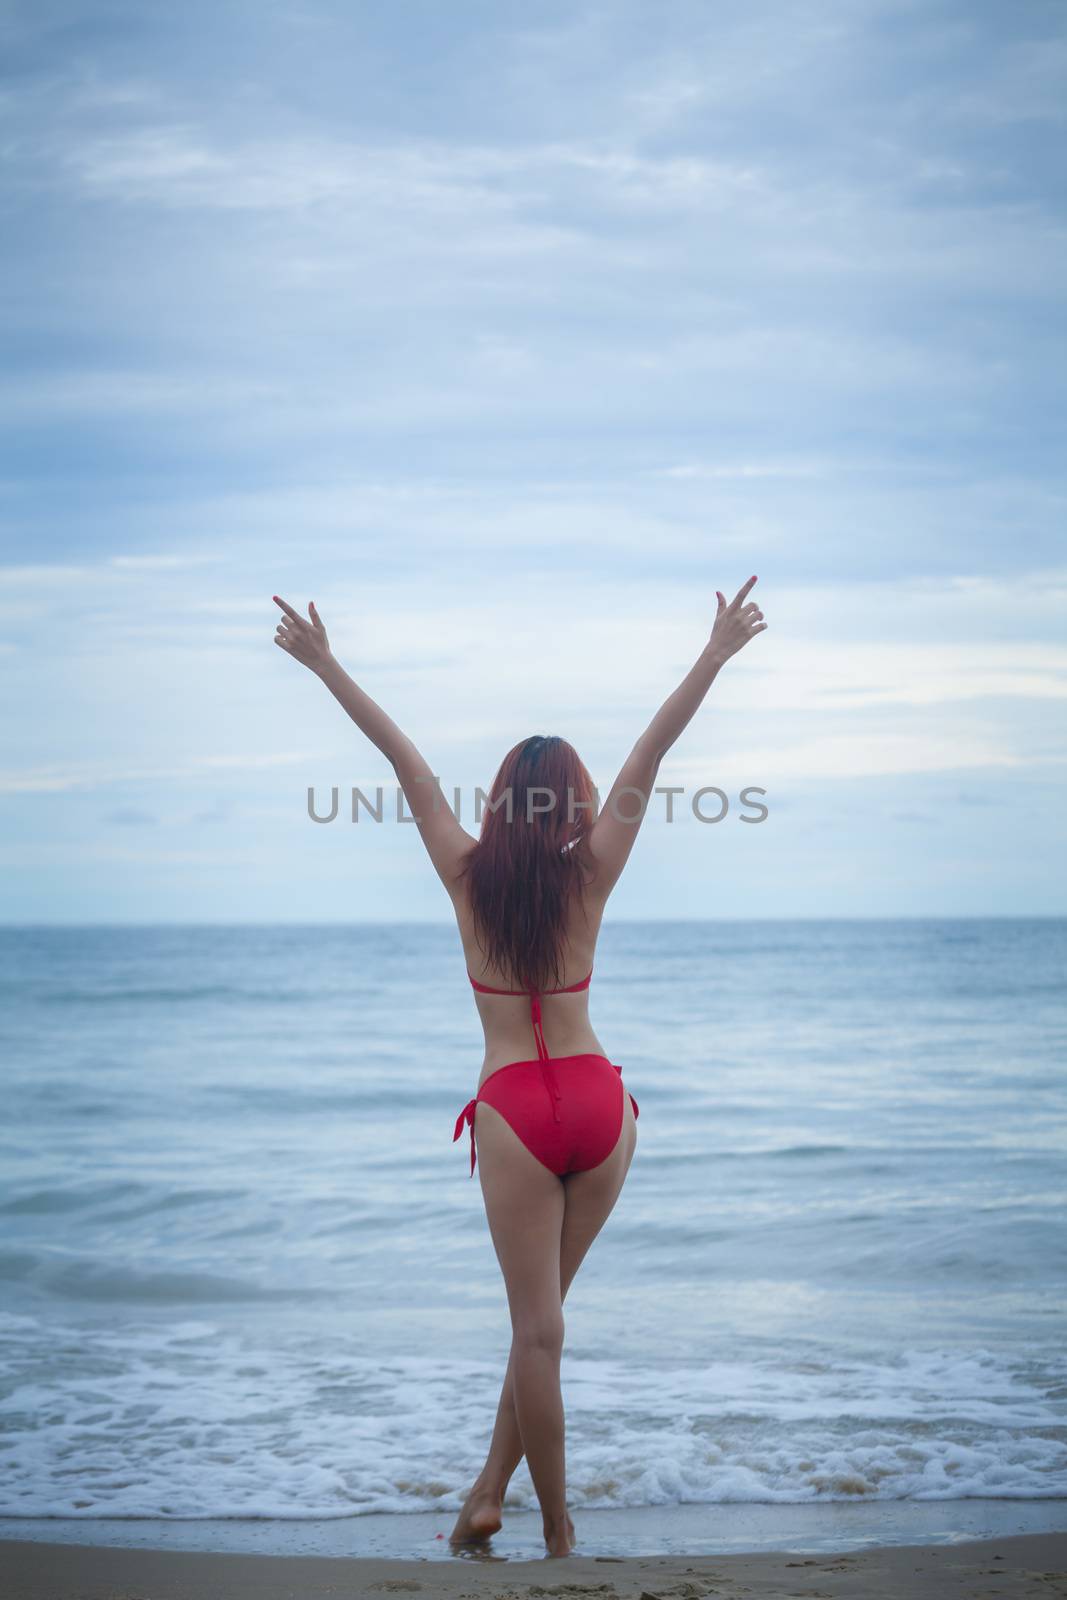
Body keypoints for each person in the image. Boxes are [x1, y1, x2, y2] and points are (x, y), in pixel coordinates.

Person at [271, 578, 767, 1557]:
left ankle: (558, 1534)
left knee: (535, 1331)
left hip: (510, 1113)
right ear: (576, 801)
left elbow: (402, 759)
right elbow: (651, 752)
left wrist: (326, 666)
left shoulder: (462, 872)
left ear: (496, 802)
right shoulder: (594, 871)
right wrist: (712, 653)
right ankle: (485, 1497)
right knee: (541, 1328)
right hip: (596, 1102)